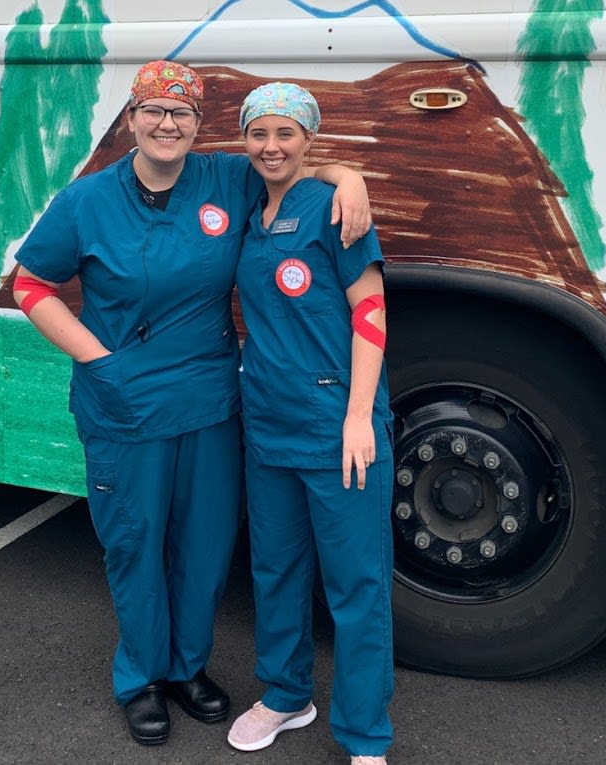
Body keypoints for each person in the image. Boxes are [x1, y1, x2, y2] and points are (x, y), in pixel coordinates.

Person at [12, 61, 371, 747]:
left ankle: (185, 668)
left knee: (205, 545)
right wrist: (99, 360)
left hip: (209, 400)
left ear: (198, 125)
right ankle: (141, 678)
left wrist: (347, 177)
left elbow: (290, 165)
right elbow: (32, 285)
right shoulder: (86, 200)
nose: (166, 123)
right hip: (124, 405)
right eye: (153, 110)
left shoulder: (224, 179)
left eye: (181, 113)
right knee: (135, 542)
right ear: (132, 119)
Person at [228, 82, 394, 765]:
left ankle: (364, 735)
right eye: (258, 132)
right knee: (275, 570)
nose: (271, 146)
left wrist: (358, 416)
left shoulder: (333, 209)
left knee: (355, 584)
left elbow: (370, 308)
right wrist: (341, 167)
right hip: (268, 423)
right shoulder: (247, 204)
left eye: (285, 133)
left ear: (308, 138)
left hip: (337, 427)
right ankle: (287, 694)